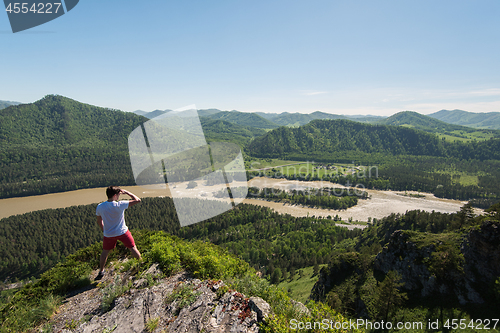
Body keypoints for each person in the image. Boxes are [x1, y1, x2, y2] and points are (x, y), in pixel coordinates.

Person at [95, 186, 142, 280]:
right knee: (132, 248)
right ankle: (141, 264)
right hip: (122, 232)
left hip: (108, 234)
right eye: (118, 195)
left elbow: (99, 220)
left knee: (105, 252)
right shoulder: (120, 204)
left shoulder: (100, 206)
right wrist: (127, 192)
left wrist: (104, 230)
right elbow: (138, 200)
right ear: (115, 195)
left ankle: (101, 271)